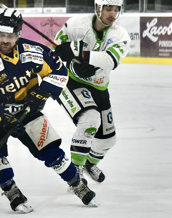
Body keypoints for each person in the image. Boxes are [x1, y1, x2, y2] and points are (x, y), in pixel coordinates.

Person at [0, 9, 97, 213]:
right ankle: (11, 190)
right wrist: (1, 116)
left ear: (18, 34)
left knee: (52, 153)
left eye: (10, 36)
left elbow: (59, 71)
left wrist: (43, 92)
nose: (5, 40)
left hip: (26, 110)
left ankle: (77, 183)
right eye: (1, 34)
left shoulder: (33, 51)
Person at [53, 0, 130, 183]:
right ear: (98, 8)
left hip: (100, 86)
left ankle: (88, 163)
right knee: (90, 119)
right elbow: (57, 47)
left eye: (116, 9)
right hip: (71, 82)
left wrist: (80, 54)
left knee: (108, 140)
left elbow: (109, 60)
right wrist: (68, 56)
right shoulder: (76, 24)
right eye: (108, 9)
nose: (112, 14)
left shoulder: (120, 35)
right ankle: (75, 173)